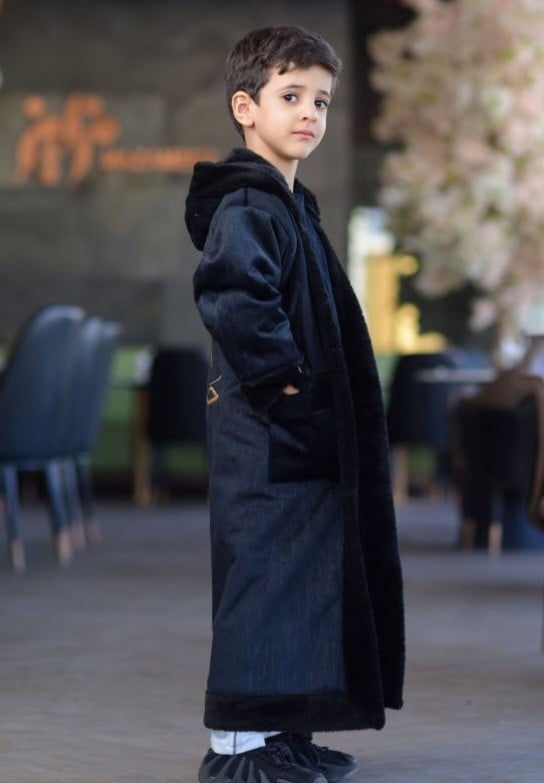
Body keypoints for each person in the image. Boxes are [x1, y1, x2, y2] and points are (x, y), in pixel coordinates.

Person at [185, 24, 405, 783]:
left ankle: (283, 733)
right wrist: (289, 390)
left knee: (303, 584)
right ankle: (237, 749)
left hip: (297, 435)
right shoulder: (247, 205)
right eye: (291, 96)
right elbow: (236, 298)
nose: (309, 112)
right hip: (268, 436)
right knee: (261, 580)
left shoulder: (288, 203)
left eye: (321, 100)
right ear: (245, 107)